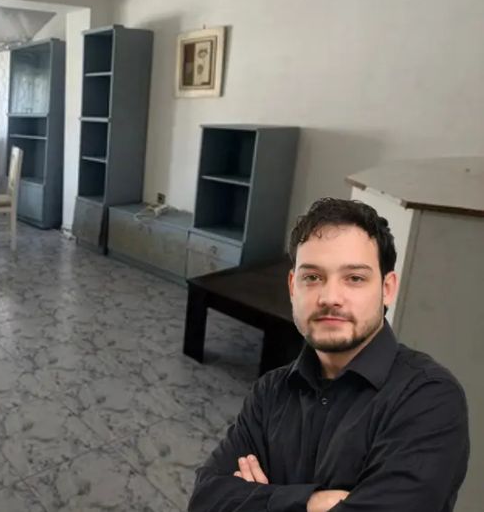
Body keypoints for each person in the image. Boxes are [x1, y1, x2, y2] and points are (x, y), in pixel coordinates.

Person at [188, 197, 469, 512]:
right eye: (312, 277)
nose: (330, 297)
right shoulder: (269, 392)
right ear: (293, 287)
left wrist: (263, 498)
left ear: (387, 289)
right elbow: (206, 499)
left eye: (354, 278)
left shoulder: (428, 398)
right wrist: (311, 502)